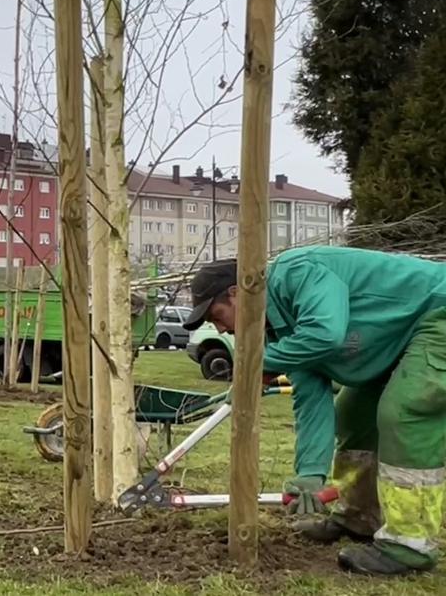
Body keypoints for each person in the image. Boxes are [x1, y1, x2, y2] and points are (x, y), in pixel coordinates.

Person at [182, 245, 446, 575]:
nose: (220, 329)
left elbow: (326, 333)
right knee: (352, 415)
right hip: (402, 339)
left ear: (236, 294)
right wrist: (309, 474)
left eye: (216, 316)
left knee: (406, 410)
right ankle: (360, 517)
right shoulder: (281, 331)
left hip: (438, 313)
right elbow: (311, 400)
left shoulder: (296, 272)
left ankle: (410, 545)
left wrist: (257, 363)